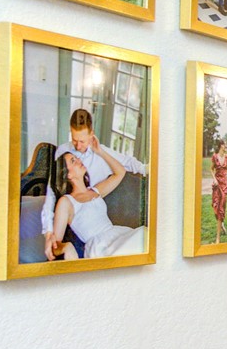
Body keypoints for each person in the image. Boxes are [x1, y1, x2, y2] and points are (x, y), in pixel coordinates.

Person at [38, 106, 147, 249]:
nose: (77, 146)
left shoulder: (99, 156)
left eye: (82, 141)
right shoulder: (63, 152)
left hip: (97, 210)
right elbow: (51, 192)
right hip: (75, 223)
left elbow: (127, 165)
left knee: (144, 238)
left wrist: (152, 170)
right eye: (74, 139)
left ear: (91, 135)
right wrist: (48, 232)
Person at [45, 150, 142, 261]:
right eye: (73, 161)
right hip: (101, 247)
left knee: (145, 236)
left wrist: (99, 151)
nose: (79, 160)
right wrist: (66, 247)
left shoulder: (95, 191)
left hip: (117, 234)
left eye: (77, 158)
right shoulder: (66, 202)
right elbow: (54, 245)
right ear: (68, 174)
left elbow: (120, 172)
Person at [210, 138, 227, 243]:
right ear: (221, 146)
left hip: (224, 186)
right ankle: (222, 224)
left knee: (221, 209)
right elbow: (211, 169)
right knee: (215, 207)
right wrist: (214, 179)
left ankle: (218, 238)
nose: (226, 146)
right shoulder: (215, 157)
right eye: (225, 145)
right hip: (216, 185)